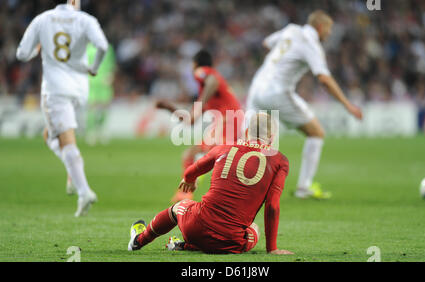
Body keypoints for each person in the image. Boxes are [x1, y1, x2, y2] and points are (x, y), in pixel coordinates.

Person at [128, 113, 293, 255]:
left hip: (195, 228)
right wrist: (272, 248)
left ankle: (139, 241)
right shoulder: (280, 161)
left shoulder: (223, 147)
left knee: (180, 206)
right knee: (254, 229)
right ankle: (187, 245)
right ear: (272, 138)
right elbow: (272, 205)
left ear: (247, 131)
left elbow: (190, 171)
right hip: (232, 243)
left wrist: (189, 180)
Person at [246, 10, 363, 199]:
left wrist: (284, 59)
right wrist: (347, 105)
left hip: (257, 88)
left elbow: (266, 43)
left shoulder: (291, 30)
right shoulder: (311, 44)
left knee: (251, 142)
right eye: (329, 29)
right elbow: (324, 79)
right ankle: (304, 187)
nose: (330, 33)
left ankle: (239, 186)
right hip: (277, 92)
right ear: (320, 27)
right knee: (316, 132)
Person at [16, 0, 109, 216]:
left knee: (63, 141)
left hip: (56, 89)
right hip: (80, 90)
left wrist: (38, 47)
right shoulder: (86, 20)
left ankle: (84, 190)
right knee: (50, 135)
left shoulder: (42, 20)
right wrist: (94, 69)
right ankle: (72, 171)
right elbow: (102, 46)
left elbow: (22, 54)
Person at [156, 49, 243, 203]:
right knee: (211, 160)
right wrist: (168, 107)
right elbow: (190, 120)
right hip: (232, 123)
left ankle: (185, 194)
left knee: (196, 157)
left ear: (195, 64)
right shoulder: (210, 94)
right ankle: (233, 197)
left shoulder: (203, 72)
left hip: (227, 122)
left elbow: (212, 80)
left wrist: (201, 101)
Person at [85, 43, 116, 146]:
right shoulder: (87, 47)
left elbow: (111, 63)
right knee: (92, 108)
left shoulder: (108, 47)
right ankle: (91, 132)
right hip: (91, 81)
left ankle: (101, 129)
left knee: (104, 108)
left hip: (104, 81)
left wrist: (110, 75)